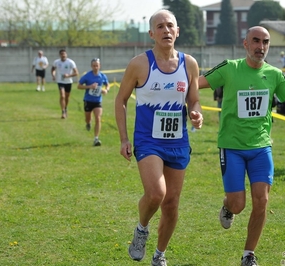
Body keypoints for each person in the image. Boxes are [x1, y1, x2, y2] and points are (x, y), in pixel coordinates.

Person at [198, 26, 285, 266]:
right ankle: (227, 206)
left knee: (262, 201)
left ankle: (249, 255)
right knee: (238, 204)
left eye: (265, 42)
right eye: (256, 41)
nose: (261, 46)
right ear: (245, 44)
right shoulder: (230, 68)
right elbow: (196, 83)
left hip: (261, 147)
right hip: (231, 147)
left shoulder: (275, 74)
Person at [114, 10, 203, 266]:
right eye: (160, 26)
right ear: (152, 33)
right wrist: (123, 139)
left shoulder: (190, 64)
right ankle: (141, 229)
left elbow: (194, 99)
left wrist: (196, 113)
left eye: (170, 26)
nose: (166, 30)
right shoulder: (139, 64)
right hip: (147, 140)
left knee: (172, 204)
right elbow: (120, 101)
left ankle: (159, 254)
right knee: (156, 194)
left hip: (178, 141)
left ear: (177, 31)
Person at [77, 58, 110, 146]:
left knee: (98, 118)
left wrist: (106, 90)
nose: (95, 67)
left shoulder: (103, 76)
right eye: (94, 65)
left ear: (99, 66)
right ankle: (88, 123)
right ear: (91, 66)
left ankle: (96, 138)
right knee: (88, 118)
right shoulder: (87, 76)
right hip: (88, 100)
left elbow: (107, 84)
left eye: (97, 65)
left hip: (97, 101)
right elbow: (79, 86)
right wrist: (89, 87)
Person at [51, 49, 79, 119]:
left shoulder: (71, 62)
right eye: (62, 54)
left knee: (67, 97)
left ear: (66, 54)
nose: (63, 55)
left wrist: (68, 76)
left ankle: (65, 108)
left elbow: (76, 73)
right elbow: (53, 69)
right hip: (60, 81)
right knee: (62, 96)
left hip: (68, 81)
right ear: (60, 55)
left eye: (64, 54)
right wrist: (53, 75)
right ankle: (63, 111)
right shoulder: (56, 62)